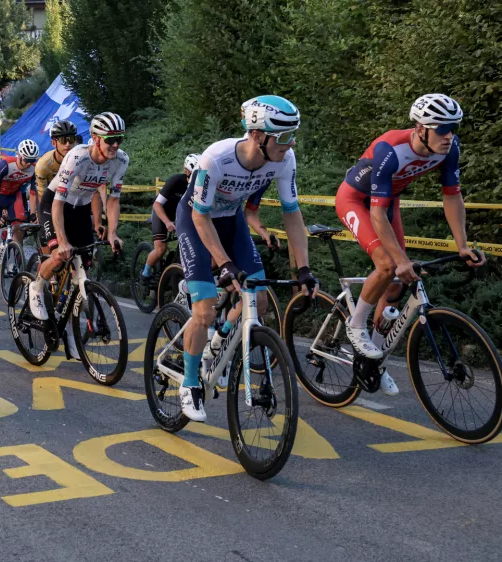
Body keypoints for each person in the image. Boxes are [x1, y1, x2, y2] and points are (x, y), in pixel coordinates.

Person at [172, 95, 317, 422]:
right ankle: (190, 382)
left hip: (232, 220)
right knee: (204, 309)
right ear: (256, 135)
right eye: (282, 136)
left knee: (260, 302)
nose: (289, 143)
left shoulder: (284, 159)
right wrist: (224, 263)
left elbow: (292, 215)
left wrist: (304, 267)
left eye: (292, 134)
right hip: (197, 220)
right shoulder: (216, 159)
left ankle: (220, 338)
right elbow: (200, 217)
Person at [334, 93, 483, 392]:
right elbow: (376, 213)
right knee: (389, 265)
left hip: (388, 203)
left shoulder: (448, 148)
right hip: (356, 201)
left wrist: (462, 245)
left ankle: (372, 359)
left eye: (453, 128)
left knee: (396, 284)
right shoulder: (391, 148)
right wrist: (400, 259)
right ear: (420, 129)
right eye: (441, 129)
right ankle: (355, 325)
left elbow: (452, 196)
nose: (449, 136)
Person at [28, 113, 128, 361]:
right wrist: (60, 241)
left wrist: (112, 231)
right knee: (59, 256)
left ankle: (72, 333)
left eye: (119, 139)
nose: (115, 145)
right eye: (110, 139)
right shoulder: (77, 157)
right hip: (55, 205)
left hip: (80, 208)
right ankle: (37, 286)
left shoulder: (120, 160)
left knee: (81, 271)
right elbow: (57, 202)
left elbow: (113, 199)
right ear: (95, 138)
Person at [139, 153, 199, 285]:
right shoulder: (176, 181)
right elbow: (157, 204)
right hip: (162, 214)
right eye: (194, 174)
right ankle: (145, 273)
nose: (197, 178)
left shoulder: (200, 187)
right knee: (161, 249)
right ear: (187, 171)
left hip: (180, 216)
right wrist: (167, 222)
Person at [0, 139, 38, 255]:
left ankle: (16, 264)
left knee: (18, 228)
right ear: (19, 155)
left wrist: (33, 214)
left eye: (32, 160)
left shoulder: (34, 168)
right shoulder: (6, 164)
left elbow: (33, 193)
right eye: (27, 159)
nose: (29, 163)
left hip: (14, 196)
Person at [31, 120, 79, 237]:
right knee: (49, 239)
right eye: (63, 140)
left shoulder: (81, 159)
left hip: (70, 198)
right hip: (48, 199)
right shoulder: (44, 164)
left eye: (71, 139)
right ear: (54, 143)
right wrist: (42, 217)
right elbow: (42, 196)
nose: (67, 144)